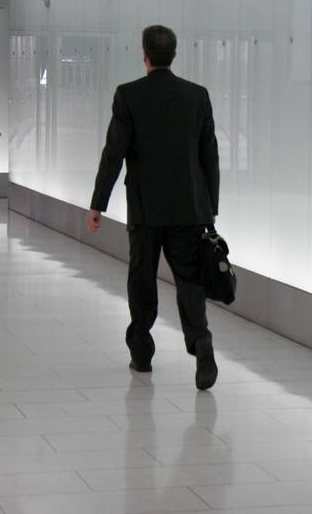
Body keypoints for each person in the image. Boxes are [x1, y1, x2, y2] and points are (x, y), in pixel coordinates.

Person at [84, 25, 221, 390]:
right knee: (189, 280)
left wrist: (98, 204)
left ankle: (142, 350)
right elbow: (210, 156)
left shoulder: (129, 96)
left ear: (144, 55)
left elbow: (114, 153)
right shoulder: (197, 96)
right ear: (173, 55)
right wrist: (210, 208)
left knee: (141, 277)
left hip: (145, 209)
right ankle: (201, 343)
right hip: (188, 209)